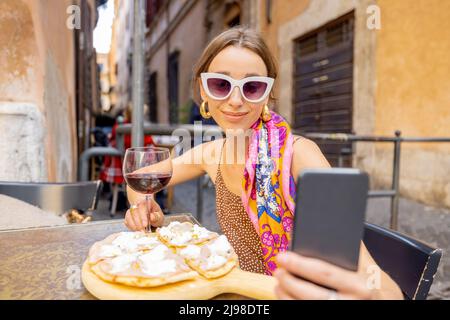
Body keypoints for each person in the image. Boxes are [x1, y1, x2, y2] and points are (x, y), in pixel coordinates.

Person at [124, 27, 403, 300]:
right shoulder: (212, 154)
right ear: (203, 90)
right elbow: (140, 176)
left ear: (267, 94)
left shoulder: (300, 155)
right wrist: (144, 207)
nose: (235, 100)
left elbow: (382, 286)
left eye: (252, 86)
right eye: (220, 84)